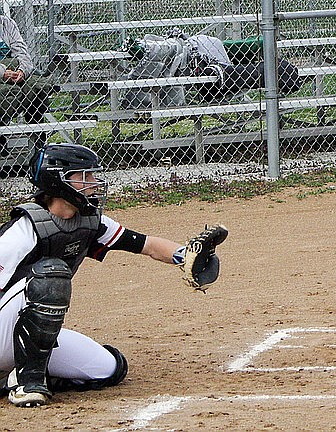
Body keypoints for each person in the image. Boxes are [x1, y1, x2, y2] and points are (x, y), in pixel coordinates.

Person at [0, 143, 223, 407]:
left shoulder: (90, 222)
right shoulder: (23, 231)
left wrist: (185, 256)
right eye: (85, 176)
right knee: (51, 275)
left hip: (22, 338)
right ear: (58, 180)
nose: (94, 183)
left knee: (107, 368)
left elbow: (147, 245)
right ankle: (29, 383)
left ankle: (12, 377)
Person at [0, 15, 54, 155]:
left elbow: (23, 53)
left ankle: (37, 138)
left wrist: (21, 72)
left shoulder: (6, 23)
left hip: (14, 72)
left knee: (38, 85)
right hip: (2, 74)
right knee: (7, 92)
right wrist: (3, 73)